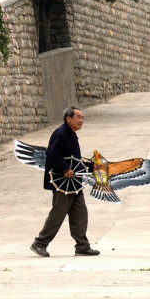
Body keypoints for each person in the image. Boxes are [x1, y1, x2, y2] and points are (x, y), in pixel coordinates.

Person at [31, 106, 100, 257]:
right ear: (68, 119)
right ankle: (40, 243)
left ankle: (82, 246)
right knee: (58, 214)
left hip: (74, 183)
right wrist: (64, 169)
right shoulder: (60, 133)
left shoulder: (72, 135)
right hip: (61, 182)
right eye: (78, 117)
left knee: (80, 213)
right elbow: (52, 156)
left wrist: (90, 166)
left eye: (82, 118)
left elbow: (74, 161)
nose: (81, 121)